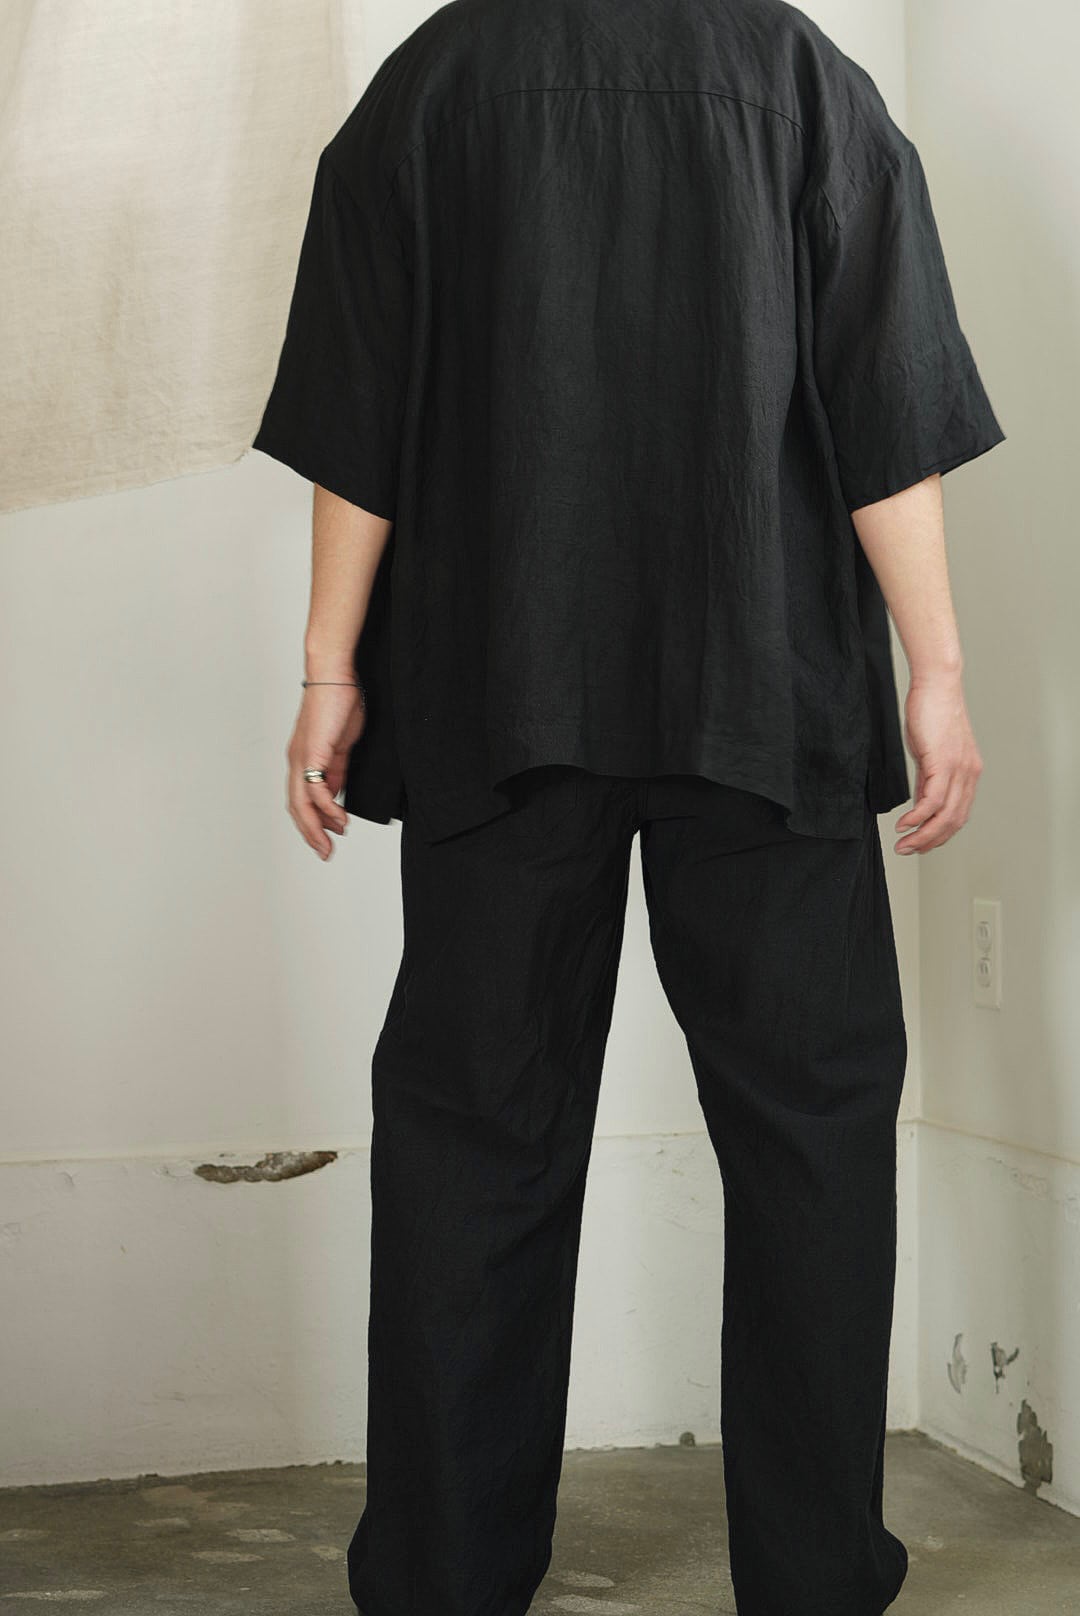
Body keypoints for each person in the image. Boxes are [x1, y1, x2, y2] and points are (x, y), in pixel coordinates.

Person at [251, 1, 1006, 1611]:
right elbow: (889, 408)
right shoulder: (803, 80)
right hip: (766, 690)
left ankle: (447, 1577)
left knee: (474, 1129)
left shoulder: (431, 85)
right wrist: (935, 669)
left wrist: (327, 669)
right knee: (811, 1132)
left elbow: (355, 414)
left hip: (498, 690)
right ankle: (815, 1577)